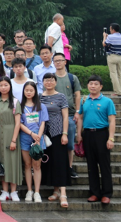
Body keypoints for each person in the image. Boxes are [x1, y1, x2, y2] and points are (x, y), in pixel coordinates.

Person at [76, 75, 117, 204]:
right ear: (87, 86)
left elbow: (112, 120)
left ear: (101, 86)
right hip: (88, 135)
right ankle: (94, 193)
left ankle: (106, 193)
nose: (92, 86)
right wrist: (79, 134)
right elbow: (81, 117)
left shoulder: (107, 101)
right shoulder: (85, 100)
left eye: (95, 84)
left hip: (102, 134)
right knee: (91, 165)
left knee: (104, 165)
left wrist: (111, 138)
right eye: (90, 84)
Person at [40, 73, 71, 208]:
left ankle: (63, 193)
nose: (49, 82)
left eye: (51, 80)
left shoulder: (61, 96)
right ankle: (55, 190)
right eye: (46, 80)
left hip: (58, 132)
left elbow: (65, 116)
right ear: (43, 82)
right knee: (50, 161)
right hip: (44, 133)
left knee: (60, 161)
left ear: (55, 82)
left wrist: (64, 133)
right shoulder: (39, 96)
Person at [0, 77, 23, 202]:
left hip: (11, 133)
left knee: (13, 162)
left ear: (10, 86)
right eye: (1, 85)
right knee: (2, 162)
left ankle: (14, 191)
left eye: (6, 85)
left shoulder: (15, 102)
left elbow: (18, 123)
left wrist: (14, 140)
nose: (3, 87)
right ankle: (4, 191)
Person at [53, 52, 82, 179]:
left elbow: (77, 94)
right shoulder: (50, 77)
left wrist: (77, 111)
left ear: (65, 62)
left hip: (69, 114)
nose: (58, 62)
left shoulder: (72, 78)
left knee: (69, 144)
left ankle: (69, 167)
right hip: (54, 115)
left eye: (60, 60)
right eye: (56, 61)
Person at [19, 82, 48, 203]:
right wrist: (31, 134)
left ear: (35, 91)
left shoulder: (41, 106)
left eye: (31, 90)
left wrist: (38, 137)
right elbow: (19, 123)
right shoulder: (20, 106)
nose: (29, 92)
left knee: (37, 166)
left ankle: (37, 192)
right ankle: (29, 190)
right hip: (25, 138)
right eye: (27, 90)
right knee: (27, 165)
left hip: (38, 139)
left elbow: (43, 123)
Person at [103, 23, 121, 96]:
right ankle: (120, 90)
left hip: (112, 56)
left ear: (113, 29)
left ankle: (118, 91)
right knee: (119, 74)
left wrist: (104, 37)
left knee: (113, 74)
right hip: (120, 57)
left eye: (110, 29)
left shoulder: (110, 37)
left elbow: (104, 44)